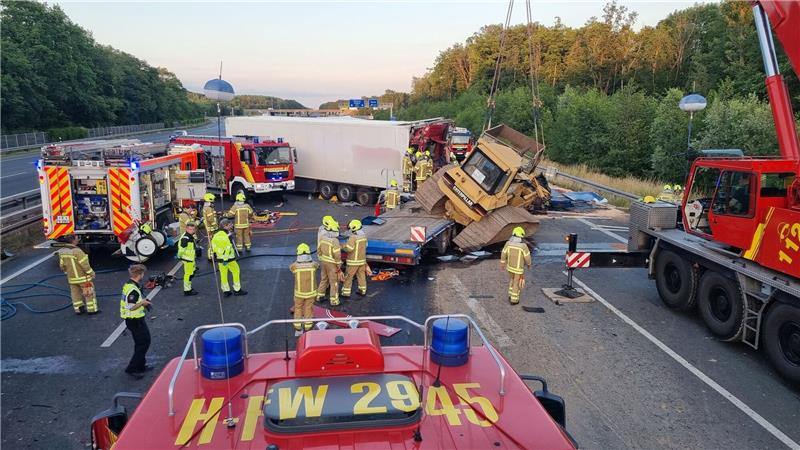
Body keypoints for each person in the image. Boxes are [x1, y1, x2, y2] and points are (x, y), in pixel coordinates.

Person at [121, 264, 152, 379]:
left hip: (135, 320)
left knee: (141, 343)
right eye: (143, 273)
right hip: (134, 320)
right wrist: (143, 303)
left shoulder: (130, 284)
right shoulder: (133, 289)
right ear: (140, 274)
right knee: (143, 343)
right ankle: (132, 368)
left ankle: (141, 365)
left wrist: (142, 301)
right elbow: (131, 306)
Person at [57, 234, 98, 315]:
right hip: (83, 278)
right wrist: (92, 273)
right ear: (73, 241)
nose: (78, 240)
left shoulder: (62, 251)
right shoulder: (77, 251)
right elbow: (85, 265)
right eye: (77, 239)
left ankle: (79, 309)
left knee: (75, 294)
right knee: (89, 293)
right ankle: (92, 310)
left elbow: (62, 266)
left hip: (72, 279)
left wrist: (67, 272)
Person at [211, 218, 247, 297]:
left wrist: (215, 255)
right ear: (225, 226)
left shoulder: (216, 234)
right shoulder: (226, 235)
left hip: (219, 258)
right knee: (236, 271)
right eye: (230, 225)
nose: (231, 226)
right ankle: (237, 290)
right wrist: (225, 259)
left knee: (223, 275)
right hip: (228, 259)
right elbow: (227, 248)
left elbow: (213, 246)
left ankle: (226, 290)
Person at [289, 243, 319, 336]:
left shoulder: (295, 266)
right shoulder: (313, 265)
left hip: (299, 293)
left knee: (298, 308)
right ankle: (308, 326)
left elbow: (291, 268)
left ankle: (298, 327)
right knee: (308, 308)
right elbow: (317, 265)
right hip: (311, 293)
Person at [500, 227, 532, 305]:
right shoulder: (523, 246)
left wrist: (502, 263)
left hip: (510, 267)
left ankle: (510, 294)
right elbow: (527, 257)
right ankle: (514, 300)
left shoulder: (508, 243)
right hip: (518, 269)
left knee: (512, 279)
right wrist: (529, 264)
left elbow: (503, 253)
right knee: (516, 282)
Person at [316, 220, 343, 306]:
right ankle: (334, 300)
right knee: (334, 282)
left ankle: (320, 296)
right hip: (332, 264)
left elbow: (319, 250)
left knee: (324, 279)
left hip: (323, 262)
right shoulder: (335, 241)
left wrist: (321, 259)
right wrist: (339, 265)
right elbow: (337, 254)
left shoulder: (323, 238)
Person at [341, 220, 368, 298]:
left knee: (348, 277)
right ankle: (362, 290)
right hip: (362, 261)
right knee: (361, 276)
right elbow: (365, 246)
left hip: (353, 261)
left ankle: (345, 293)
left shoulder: (353, 237)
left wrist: (343, 246)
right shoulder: (364, 236)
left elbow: (349, 248)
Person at [177, 221, 199, 296]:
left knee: (191, 274)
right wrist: (179, 256)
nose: (191, 231)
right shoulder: (186, 238)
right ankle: (187, 290)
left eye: (193, 229)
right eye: (190, 229)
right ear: (186, 229)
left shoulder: (190, 236)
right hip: (187, 259)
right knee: (188, 275)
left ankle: (188, 288)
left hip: (190, 259)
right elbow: (182, 249)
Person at [202, 193, 218, 262]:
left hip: (210, 228)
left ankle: (211, 255)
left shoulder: (207, 208)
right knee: (211, 243)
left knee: (212, 242)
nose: (213, 203)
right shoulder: (208, 208)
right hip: (211, 228)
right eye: (212, 202)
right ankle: (211, 256)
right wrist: (215, 226)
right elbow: (210, 219)